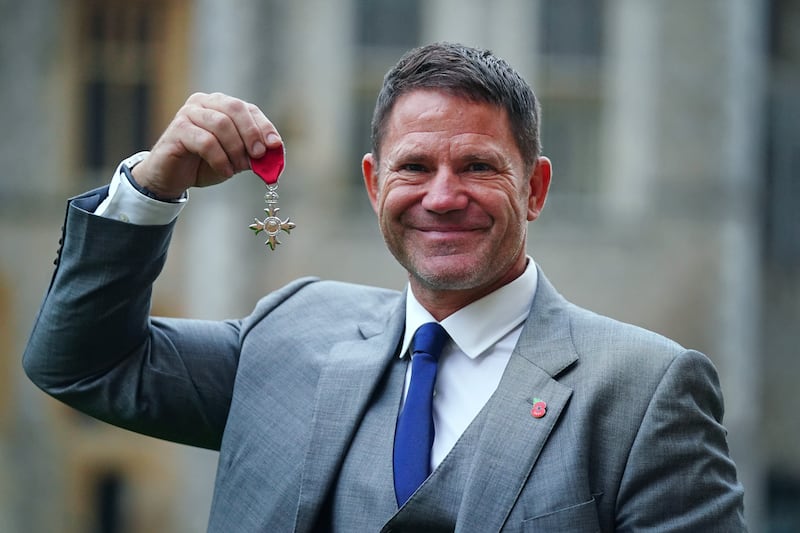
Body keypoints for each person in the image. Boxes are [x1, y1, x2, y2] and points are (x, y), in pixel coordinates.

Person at [23, 42, 746, 532]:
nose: (441, 195)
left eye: (479, 167)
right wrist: (154, 186)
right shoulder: (291, 331)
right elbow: (82, 362)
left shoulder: (646, 389)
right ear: (374, 185)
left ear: (536, 189)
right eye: (413, 167)